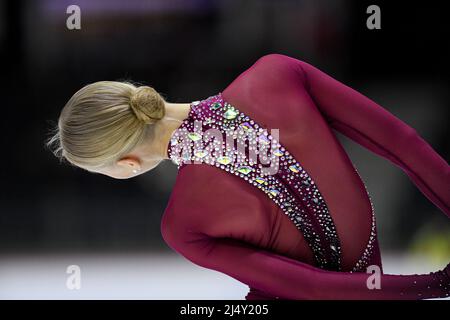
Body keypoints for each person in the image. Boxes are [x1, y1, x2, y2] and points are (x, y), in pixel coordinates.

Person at [47, 53, 450, 299]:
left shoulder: (183, 226)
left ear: (126, 164)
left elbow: (312, 288)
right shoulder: (275, 74)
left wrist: (436, 284)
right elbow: (404, 144)